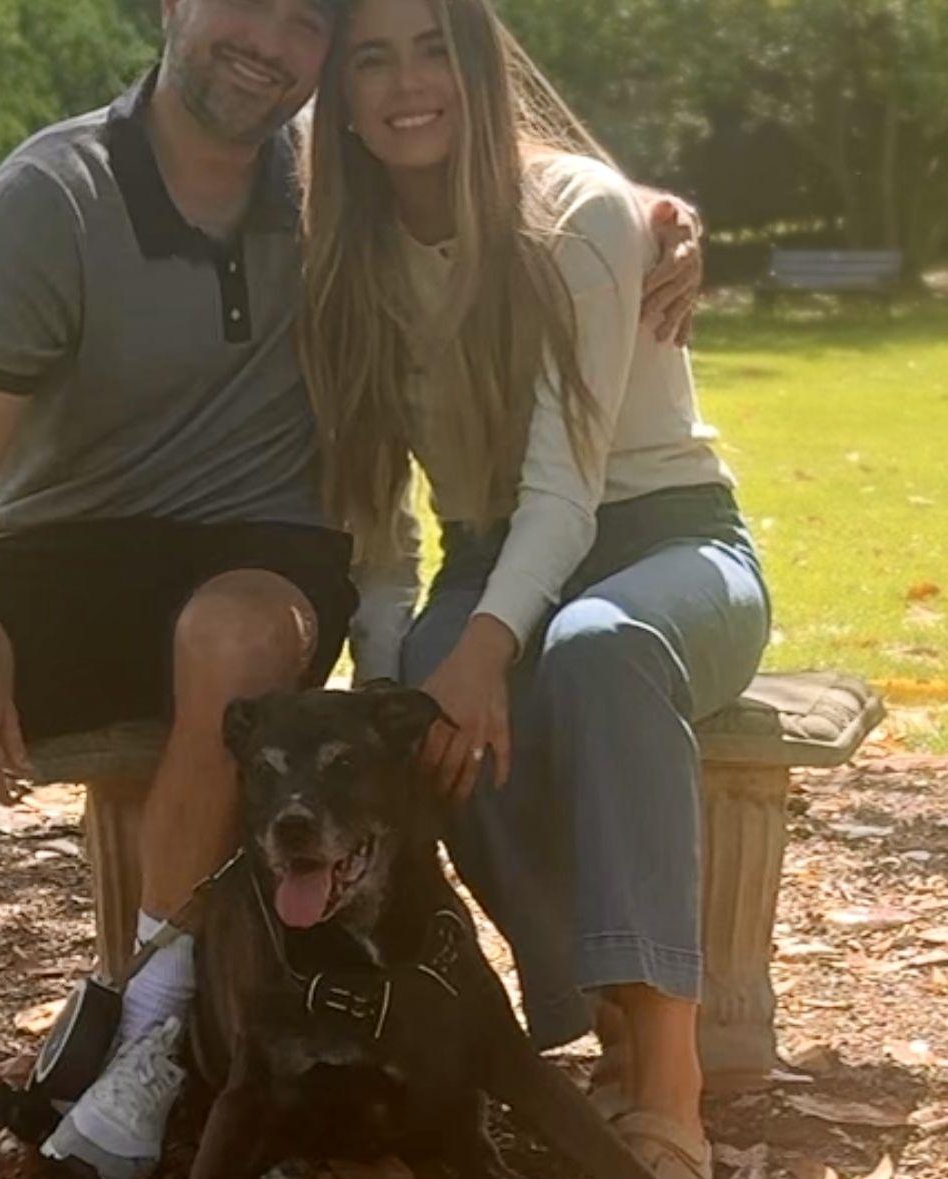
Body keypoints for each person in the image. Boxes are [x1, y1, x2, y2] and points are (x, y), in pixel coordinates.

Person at [0, 3, 701, 1179]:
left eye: (304, 20)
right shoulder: (51, 196)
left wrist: (655, 214)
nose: (266, 39)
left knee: (235, 633)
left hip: (259, 555)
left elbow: (503, 180)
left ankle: (156, 1030)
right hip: (60, 555)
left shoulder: (332, 192)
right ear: (173, 7)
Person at [299, 1, 772, 1177]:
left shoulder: (580, 216)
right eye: (373, 59)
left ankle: (668, 1077)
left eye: (434, 49)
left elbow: (567, 490)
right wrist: (392, 671)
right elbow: (375, 517)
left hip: (668, 538)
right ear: (340, 99)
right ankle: (603, 1008)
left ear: (479, 67)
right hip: (489, 552)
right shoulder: (343, 255)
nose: (408, 83)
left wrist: (486, 647)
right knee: (424, 702)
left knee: (599, 648)